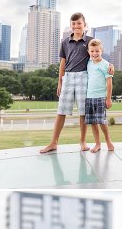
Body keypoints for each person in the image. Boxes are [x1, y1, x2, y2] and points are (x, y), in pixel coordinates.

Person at [39, 13, 113, 154]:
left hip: (83, 77)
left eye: (79, 23)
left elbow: (98, 54)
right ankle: (53, 143)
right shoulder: (65, 42)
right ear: (71, 25)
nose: (76, 26)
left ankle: (83, 141)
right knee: (61, 111)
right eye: (73, 24)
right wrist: (60, 81)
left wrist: (111, 65)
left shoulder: (90, 40)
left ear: (85, 25)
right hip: (67, 78)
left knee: (83, 112)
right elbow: (63, 62)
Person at [85, 39, 114, 152]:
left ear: (102, 51)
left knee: (102, 122)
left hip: (101, 97)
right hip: (89, 97)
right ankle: (97, 144)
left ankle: (108, 142)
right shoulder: (89, 62)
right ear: (88, 52)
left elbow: (109, 82)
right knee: (93, 122)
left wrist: (108, 98)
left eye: (97, 51)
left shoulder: (106, 65)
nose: (94, 53)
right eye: (92, 51)